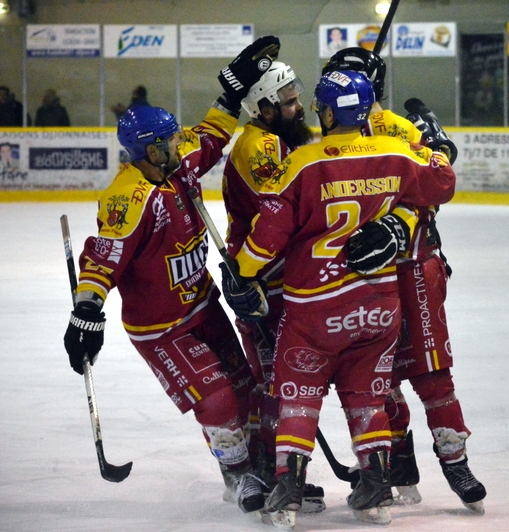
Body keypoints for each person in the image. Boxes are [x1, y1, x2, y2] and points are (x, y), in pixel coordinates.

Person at [222, 70, 456, 530]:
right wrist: (435, 148)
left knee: (298, 391)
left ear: (327, 113)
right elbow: (442, 183)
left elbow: (268, 236)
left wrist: (241, 273)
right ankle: (375, 483)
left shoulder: (305, 162)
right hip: (378, 306)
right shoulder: (395, 153)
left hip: (316, 308)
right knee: (368, 391)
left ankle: (288, 483)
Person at [62, 35, 281, 517]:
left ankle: (260, 463)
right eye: (164, 140)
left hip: (203, 306)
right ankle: (238, 474)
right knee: (218, 400)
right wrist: (85, 312)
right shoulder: (128, 197)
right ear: (145, 149)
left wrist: (230, 96)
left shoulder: (175, 166)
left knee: (244, 388)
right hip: (162, 329)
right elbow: (102, 258)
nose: (175, 144)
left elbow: (211, 134)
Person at [324, 47, 487, 514]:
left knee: (432, 372)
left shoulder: (398, 130)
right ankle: (397, 461)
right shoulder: (326, 136)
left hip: (413, 267)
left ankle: (455, 460)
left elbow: (435, 188)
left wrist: (434, 157)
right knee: (373, 378)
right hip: (359, 275)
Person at [220, 56, 324, 513]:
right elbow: (283, 212)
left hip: (282, 280)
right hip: (261, 284)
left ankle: (281, 467)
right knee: (274, 382)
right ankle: (267, 470)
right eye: (288, 101)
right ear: (262, 107)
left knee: (285, 378)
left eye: (297, 97)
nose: (298, 107)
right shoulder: (257, 146)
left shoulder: (276, 139)